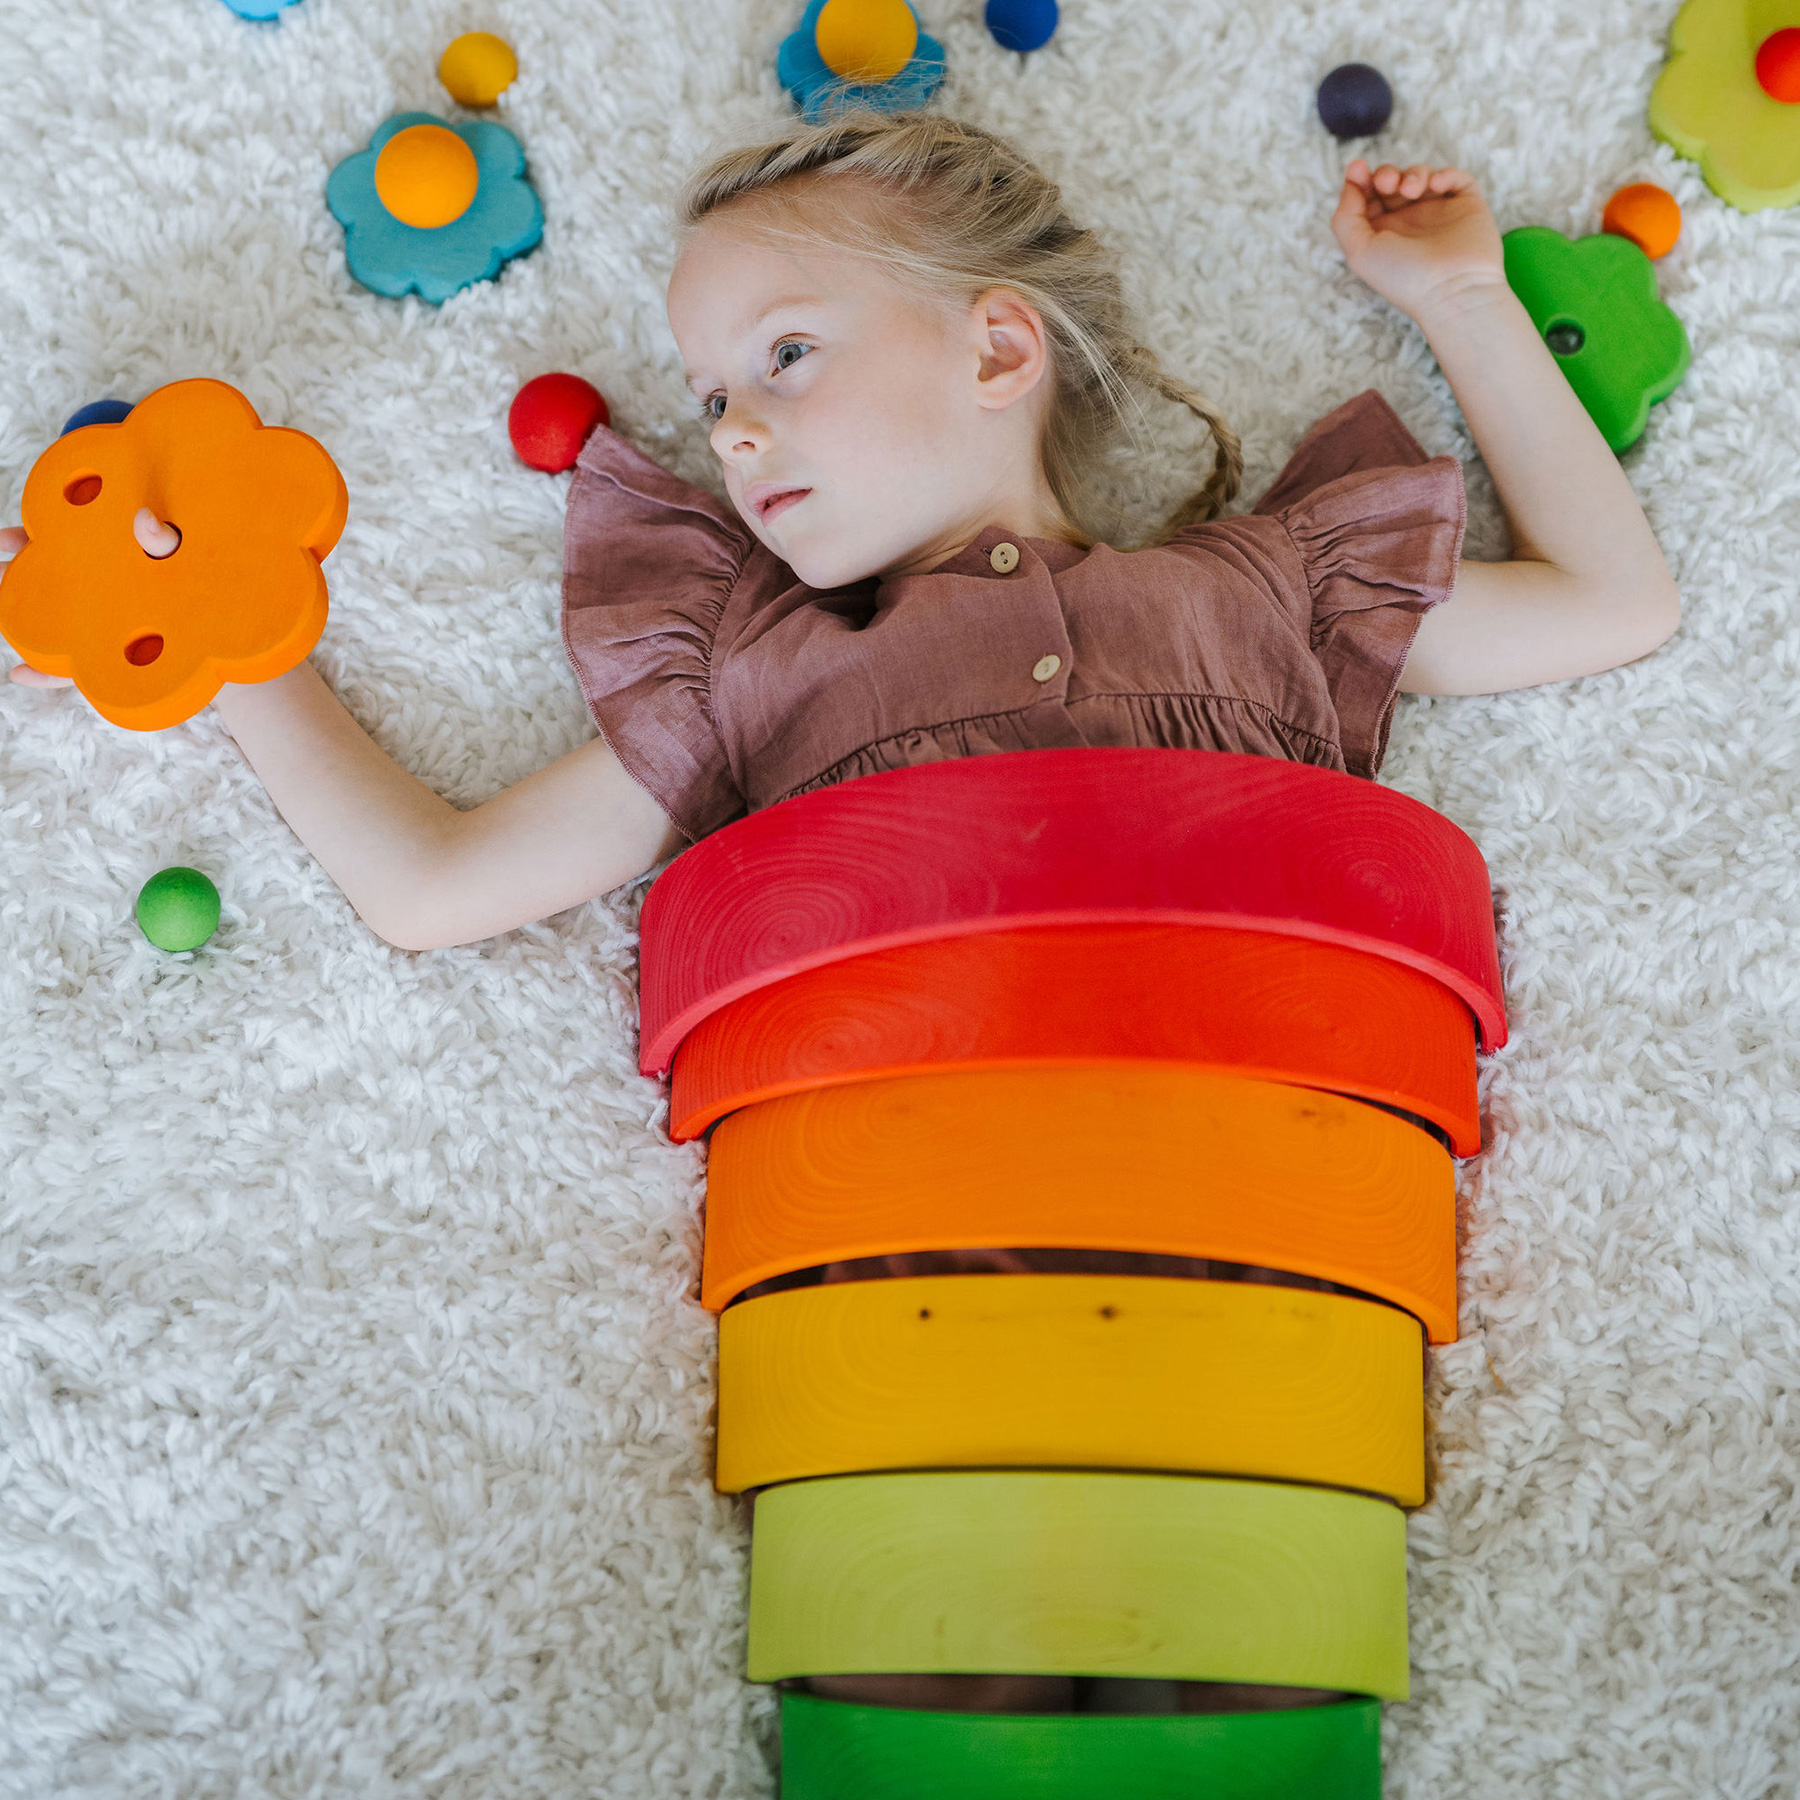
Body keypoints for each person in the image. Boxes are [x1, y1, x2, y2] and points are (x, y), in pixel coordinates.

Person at [1, 111, 1680, 1714]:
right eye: (712, 393)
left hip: (1263, 1282)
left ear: (999, 349)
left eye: (785, 357)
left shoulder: (1258, 597)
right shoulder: (758, 671)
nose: (731, 431)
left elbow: (1617, 600)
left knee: (1245, 1676)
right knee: (930, 1686)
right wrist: (232, 648)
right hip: (898, 1309)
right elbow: (433, 885)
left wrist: (1456, 298)